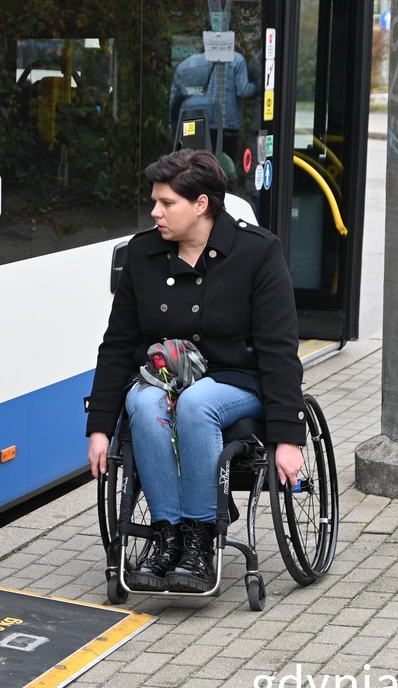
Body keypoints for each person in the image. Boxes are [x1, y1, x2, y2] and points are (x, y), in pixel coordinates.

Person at [85, 149, 305, 594]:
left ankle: (200, 538)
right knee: (143, 402)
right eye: (155, 201)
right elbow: (117, 345)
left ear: (201, 204)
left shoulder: (257, 252)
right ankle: (168, 536)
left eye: (166, 203)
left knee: (196, 403)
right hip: (164, 378)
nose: (155, 212)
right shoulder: (143, 254)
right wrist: (99, 428)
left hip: (238, 380)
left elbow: (280, 351)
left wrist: (288, 437)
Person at [168, 49, 256, 159]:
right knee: (223, 166)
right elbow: (243, 90)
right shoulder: (237, 60)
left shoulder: (188, 64)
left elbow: (175, 97)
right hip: (226, 124)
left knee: (194, 164)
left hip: (193, 121)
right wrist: (258, 85)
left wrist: (172, 122)